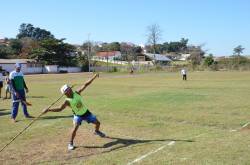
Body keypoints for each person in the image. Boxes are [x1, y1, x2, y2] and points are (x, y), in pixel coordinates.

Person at [42, 73, 106, 150]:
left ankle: (97, 131)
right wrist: (48, 109)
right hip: (78, 115)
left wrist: (94, 77)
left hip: (86, 112)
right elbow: (60, 109)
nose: (70, 88)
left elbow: (86, 84)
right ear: (65, 93)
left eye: (69, 87)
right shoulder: (67, 101)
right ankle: (70, 143)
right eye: (67, 89)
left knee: (98, 123)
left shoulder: (77, 93)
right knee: (75, 129)